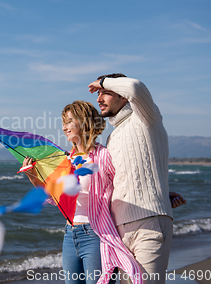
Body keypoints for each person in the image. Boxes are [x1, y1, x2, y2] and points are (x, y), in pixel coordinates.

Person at [22, 101, 143, 284]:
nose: (65, 127)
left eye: (70, 121)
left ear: (85, 122)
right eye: (63, 122)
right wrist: (33, 176)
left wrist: (162, 194)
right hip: (70, 234)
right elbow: (55, 198)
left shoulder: (103, 156)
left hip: (96, 235)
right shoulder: (66, 161)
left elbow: (128, 183)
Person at [88, 74, 186, 284]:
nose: (99, 99)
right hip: (120, 230)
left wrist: (103, 81)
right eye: (99, 94)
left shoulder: (146, 118)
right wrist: (160, 191)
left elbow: (135, 87)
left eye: (105, 93)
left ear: (123, 97)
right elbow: (125, 177)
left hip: (149, 226)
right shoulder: (112, 137)